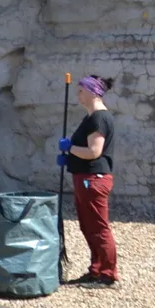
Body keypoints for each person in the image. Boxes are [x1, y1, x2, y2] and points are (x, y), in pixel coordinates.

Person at [61, 74, 119, 288]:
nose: (78, 94)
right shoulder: (91, 118)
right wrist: (70, 157)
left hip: (94, 178)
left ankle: (108, 274)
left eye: (81, 90)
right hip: (85, 177)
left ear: (93, 92)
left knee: (98, 227)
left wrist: (70, 149)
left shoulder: (99, 118)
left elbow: (94, 151)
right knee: (88, 226)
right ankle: (96, 270)